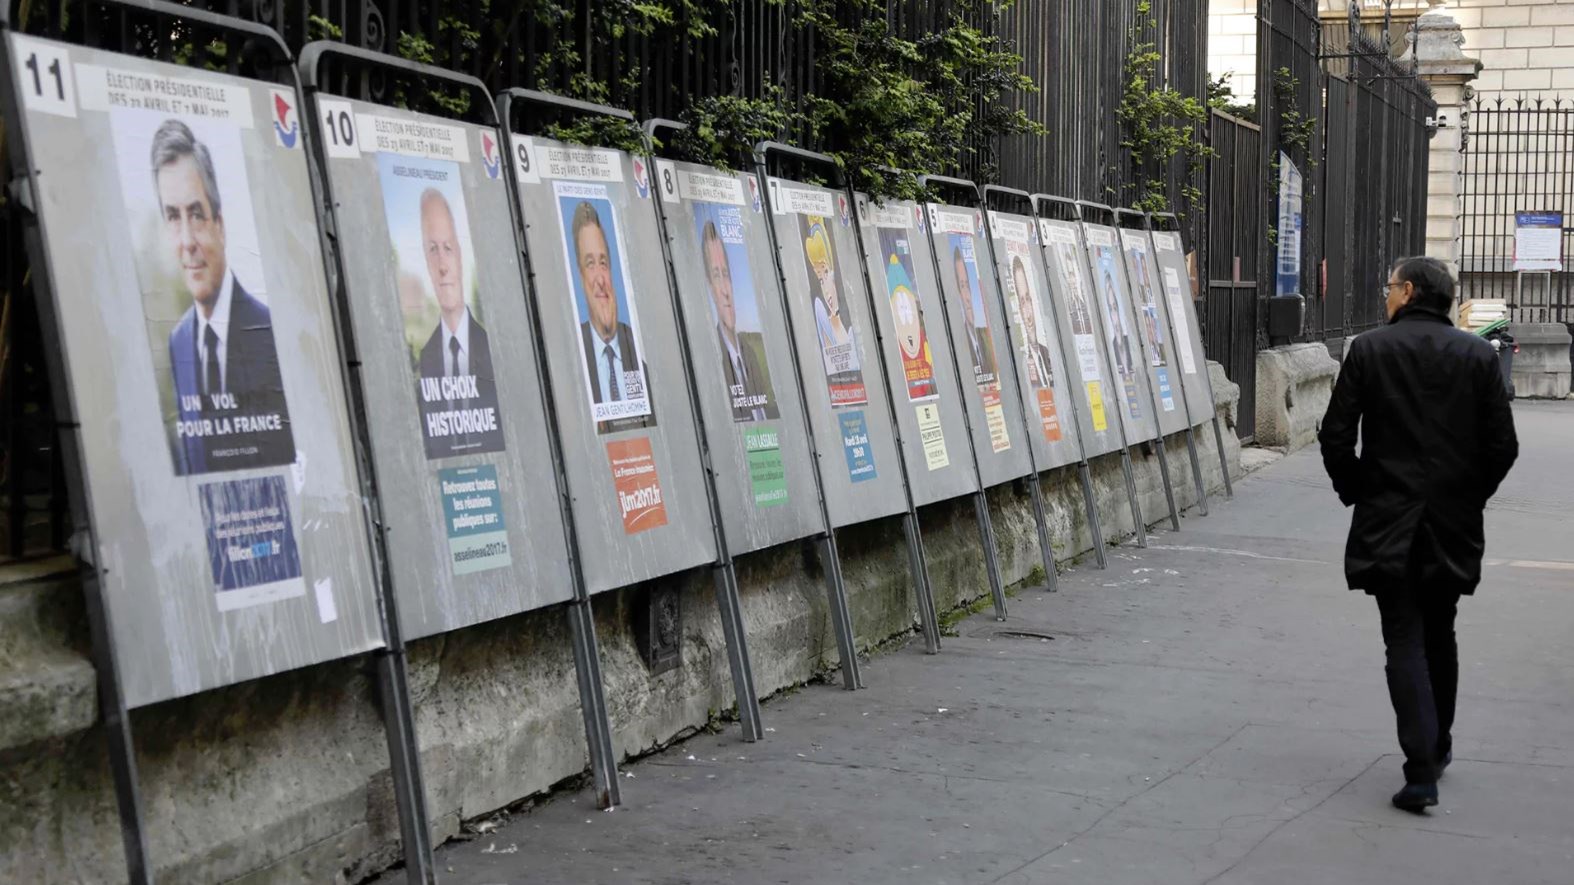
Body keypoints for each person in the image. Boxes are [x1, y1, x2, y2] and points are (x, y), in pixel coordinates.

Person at [1319, 256, 1518, 813]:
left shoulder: (1370, 350)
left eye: (1388, 287)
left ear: (1407, 291)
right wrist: (1469, 495)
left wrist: (1358, 488)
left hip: (1387, 516)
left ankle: (1420, 768)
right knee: (1441, 632)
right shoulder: (1478, 356)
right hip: (1452, 521)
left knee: (1402, 637)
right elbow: (1503, 446)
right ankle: (1439, 745)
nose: (1385, 297)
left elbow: (1336, 435)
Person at [156, 119, 294, 475]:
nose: (187, 241)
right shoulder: (179, 340)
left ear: (220, 224)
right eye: (173, 217)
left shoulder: (270, 329)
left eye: (197, 214)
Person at [415, 188, 503, 457]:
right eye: (433, 250)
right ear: (425, 260)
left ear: (461, 255)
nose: (443, 265)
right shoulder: (425, 358)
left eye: (448, 249)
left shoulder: (491, 347)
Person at [703, 220, 777, 422]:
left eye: (725, 274)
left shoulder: (749, 354)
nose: (725, 291)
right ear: (710, 287)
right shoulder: (713, 358)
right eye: (716, 276)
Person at [573, 201, 644, 407]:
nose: (600, 280)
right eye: (590, 264)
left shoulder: (637, 353)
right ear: (580, 276)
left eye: (603, 263)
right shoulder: (576, 360)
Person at [954, 245, 995, 381]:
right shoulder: (959, 343)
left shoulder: (986, 336)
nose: (967, 297)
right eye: (962, 286)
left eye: (967, 285)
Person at [1012, 256, 1054, 389]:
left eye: (1028, 299)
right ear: (1018, 308)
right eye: (1022, 301)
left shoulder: (1047, 352)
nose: (1027, 310)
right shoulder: (1023, 361)